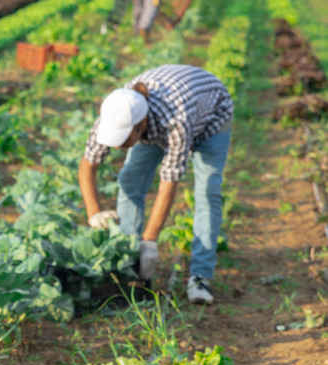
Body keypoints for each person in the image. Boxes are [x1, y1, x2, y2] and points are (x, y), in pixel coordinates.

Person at [78, 64, 233, 305]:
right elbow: (88, 166)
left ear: (141, 126)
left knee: (207, 191)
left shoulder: (176, 121)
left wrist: (149, 241)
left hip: (211, 113)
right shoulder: (115, 112)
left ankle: (200, 275)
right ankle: (128, 262)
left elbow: (168, 183)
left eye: (123, 139)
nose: (117, 146)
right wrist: (93, 213)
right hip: (167, 112)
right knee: (130, 178)